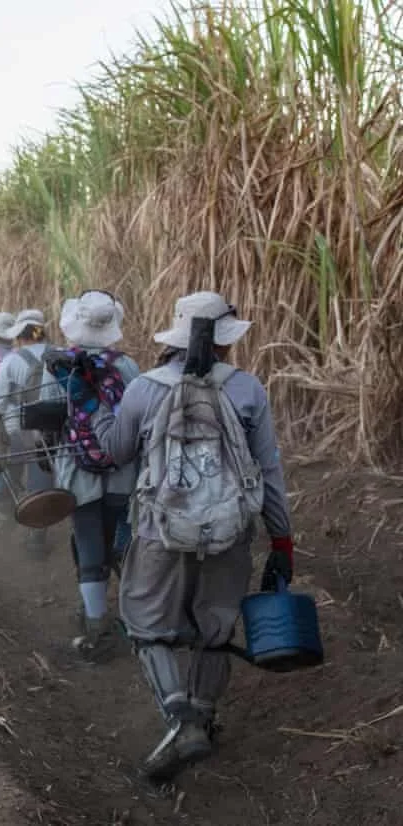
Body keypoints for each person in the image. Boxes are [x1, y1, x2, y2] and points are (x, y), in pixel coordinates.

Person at [91, 291, 294, 783]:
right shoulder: (247, 389)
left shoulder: (144, 388)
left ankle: (180, 720)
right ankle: (200, 717)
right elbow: (268, 471)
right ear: (225, 340)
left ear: (177, 337)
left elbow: (116, 453)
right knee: (216, 629)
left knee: (144, 622)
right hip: (230, 532)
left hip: (161, 528)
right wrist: (282, 541)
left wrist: (99, 417)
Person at [47, 291, 140, 660]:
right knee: (124, 545)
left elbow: (48, 419)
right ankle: (141, 621)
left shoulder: (57, 365)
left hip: (77, 470)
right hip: (122, 468)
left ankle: (96, 627)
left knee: (88, 546)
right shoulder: (129, 366)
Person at [0, 308, 56, 556]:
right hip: (55, 434)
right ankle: (37, 537)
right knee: (44, 483)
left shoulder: (11, 361)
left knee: (13, 478)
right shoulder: (61, 355)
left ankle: (8, 524)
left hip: (18, 431)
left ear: (20, 334)